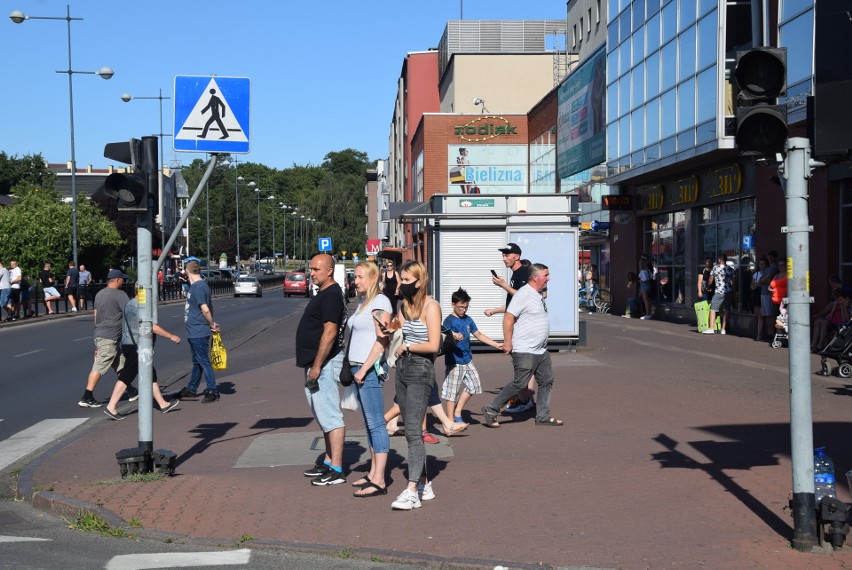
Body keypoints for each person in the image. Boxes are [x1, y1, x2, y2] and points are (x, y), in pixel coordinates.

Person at [387, 260, 442, 510]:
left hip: (421, 368)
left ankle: (412, 491)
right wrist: (388, 327)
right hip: (402, 367)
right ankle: (425, 483)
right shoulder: (405, 305)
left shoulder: (431, 307)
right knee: (411, 429)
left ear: (420, 281)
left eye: (407, 281)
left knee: (412, 430)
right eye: (401, 280)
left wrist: (407, 346)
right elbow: (397, 329)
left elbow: (433, 345)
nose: (402, 286)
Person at [481, 263, 563, 428]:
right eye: (546, 275)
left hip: (540, 350)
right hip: (525, 349)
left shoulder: (537, 294)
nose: (549, 278)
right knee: (520, 383)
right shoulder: (524, 294)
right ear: (535, 277)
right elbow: (509, 317)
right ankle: (491, 409)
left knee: (546, 381)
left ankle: (542, 416)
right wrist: (508, 342)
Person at [298, 254, 347, 486]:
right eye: (311, 269)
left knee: (330, 415)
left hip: (324, 365)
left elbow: (330, 332)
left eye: (316, 269)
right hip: (316, 365)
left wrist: (317, 366)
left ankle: (337, 468)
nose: (312, 273)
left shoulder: (331, 296)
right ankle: (329, 461)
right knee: (322, 414)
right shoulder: (325, 293)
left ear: (329, 271)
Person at [346, 261, 392, 497]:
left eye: (361, 277)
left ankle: (380, 480)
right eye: (356, 277)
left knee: (376, 422)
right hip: (359, 369)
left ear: (374, 278)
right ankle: (374, 472)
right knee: (368, 422)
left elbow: (381, 341)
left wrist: (363, 370)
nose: (357, 281)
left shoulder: (380, 302)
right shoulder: (364, 302)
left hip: (369, 370)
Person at [103, 291, 182, 420]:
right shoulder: (138, 307)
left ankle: (163, 404)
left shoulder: (129, 304)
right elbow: (151, 326)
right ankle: (111, 407)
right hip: (136, 346)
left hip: (131, 344)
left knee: (150, 373)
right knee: (127, 376)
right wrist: (171, 336)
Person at [485, 243, 535, 413]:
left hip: (522, 327)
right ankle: (526, 399)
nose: (504, 257)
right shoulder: (516, 274)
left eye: (507, 254)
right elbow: (513, 304)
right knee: (524, 363)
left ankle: (525, 400)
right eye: (503, 254)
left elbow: (523, 298)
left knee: (523, 364)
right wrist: (495, 310)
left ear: (517, 256)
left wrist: (503, 285)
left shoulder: (523, 273)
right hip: (519, 326)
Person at [442, 287, 502, 424]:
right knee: (452, 392)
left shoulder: (468, 319)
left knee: (474, 385)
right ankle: (450, 421)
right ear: (453, 305)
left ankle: (458, 412)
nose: (463, 310)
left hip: (467, 359)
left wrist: (496, 344)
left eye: (466, 307)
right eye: (461, 307)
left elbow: (478, 335)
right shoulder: (449, 320)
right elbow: (442, 336)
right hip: (454, 361)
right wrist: (452, 335)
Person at [78, 269, 131, 408]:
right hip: (110, 336)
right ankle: (87, 396)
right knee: (100, 366)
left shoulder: (100, 293)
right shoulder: (120, 294)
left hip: (101, 334)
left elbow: (95, 316)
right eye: (122, 279)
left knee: (120, 364)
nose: (123, 281)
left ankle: (131, 390)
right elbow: (131, 311)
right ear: (118, 280)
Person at [176, 258, 220, 403]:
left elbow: (205, 309)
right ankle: (192, 388)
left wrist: (211, 324)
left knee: (203, 361)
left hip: (198, 330)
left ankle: (212, 390)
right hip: (195, 330)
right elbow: (210, 307)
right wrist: (211, 322)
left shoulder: (198, 287)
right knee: (197, 361)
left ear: (188, 271)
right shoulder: (201, 286)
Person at [703, 254, 736, 335]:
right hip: (728, 291)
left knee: (713, 309)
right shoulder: (730, 269)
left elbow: (711, 279)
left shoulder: (715, 268)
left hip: (719, 291)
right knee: (726, 310)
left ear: (720, 259)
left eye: (719, 259)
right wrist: (733, 290)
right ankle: (723, 329)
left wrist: (707, 286)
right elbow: (734, 281)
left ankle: (711, 328)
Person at [811, 288, 850, 352]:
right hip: (834, 320)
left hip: (838, 323)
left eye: (841, 299)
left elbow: (844, 320)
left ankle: (820, 345)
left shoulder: (847, 307)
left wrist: (843, 307)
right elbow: (830, 311)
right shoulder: (837, 303)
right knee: (818, 321)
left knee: (824, 323)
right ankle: (813, 344)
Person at [757, 251, 780, 340]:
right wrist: (764, 280)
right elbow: (759, 283)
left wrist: (764, 280)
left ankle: (772, 334)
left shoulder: (774, 268)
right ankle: (769, 333)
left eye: (772, 257)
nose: (770, 259)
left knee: (771, 315)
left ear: (775, 258)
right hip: (763, 293)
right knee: (766, 315)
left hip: (769, 294)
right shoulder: (767, 268)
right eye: (769, 257)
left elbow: (765, 280)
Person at [751, 258, 768, 340]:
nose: (761, 266)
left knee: (762, 315)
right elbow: (752, 286)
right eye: (760, 264)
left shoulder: (768, 273)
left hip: (764, 294)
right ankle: (758, 332)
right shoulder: (756, 274)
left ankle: (759, 334)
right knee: (757, 314)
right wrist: (757, 285)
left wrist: (759, 284)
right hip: (757, 295)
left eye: (763, 264)